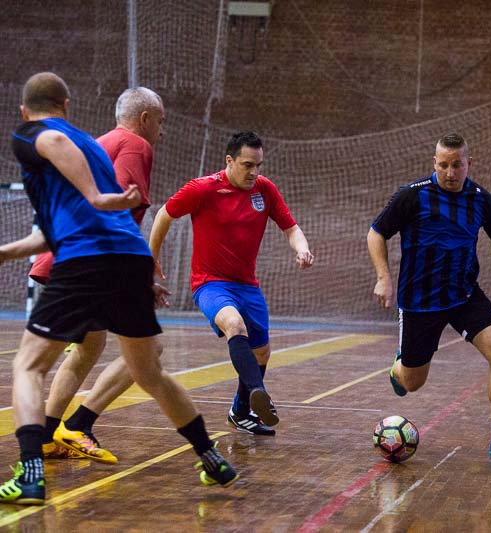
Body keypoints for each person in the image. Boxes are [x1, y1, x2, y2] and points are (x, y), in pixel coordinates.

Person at [0, 72, 237, 505]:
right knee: (148, 372)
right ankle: (211, 456)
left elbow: (56, 147)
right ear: (68, 105)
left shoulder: (33, 135)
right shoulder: (93, 148)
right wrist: (7, 252)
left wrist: (95, 195)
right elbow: (72, 225)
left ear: (24, 110)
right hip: (128, 259)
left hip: (86, 261)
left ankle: (31, 472)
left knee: (29, 367)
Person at [368, 133, 491, 461]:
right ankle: (398, 368)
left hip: (464, 294)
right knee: (412, 383)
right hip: (420, 301)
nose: (450, 172)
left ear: (468, 164)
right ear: (434, 163)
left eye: (457, 165)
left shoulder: (481, 200)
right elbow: (377, 233)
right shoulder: (412, 195)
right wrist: (383, 278)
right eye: (443, 165)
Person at [32, 87, 166, 464]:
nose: (162, 130)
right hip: (91, 260)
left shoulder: (99, 143)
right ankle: (77, 425)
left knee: (88, 346)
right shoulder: (136, 145)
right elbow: (114, 210)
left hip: (65, 255)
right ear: (144, 119)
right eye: (160, 121)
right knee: (149, 348)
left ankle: (48, 436)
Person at [149, 131, 314, 436]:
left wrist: (302, 248)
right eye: (247, 165)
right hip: (210, 284)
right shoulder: (203, 188)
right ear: (229, 160)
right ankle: (258, 393)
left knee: (261, 352)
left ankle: (240, 411)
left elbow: (291, 228)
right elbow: (164, 215)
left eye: (258, 165)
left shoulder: (265, 189)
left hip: (247, 285)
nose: (254, 172)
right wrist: (152, 259)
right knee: (234, 326)